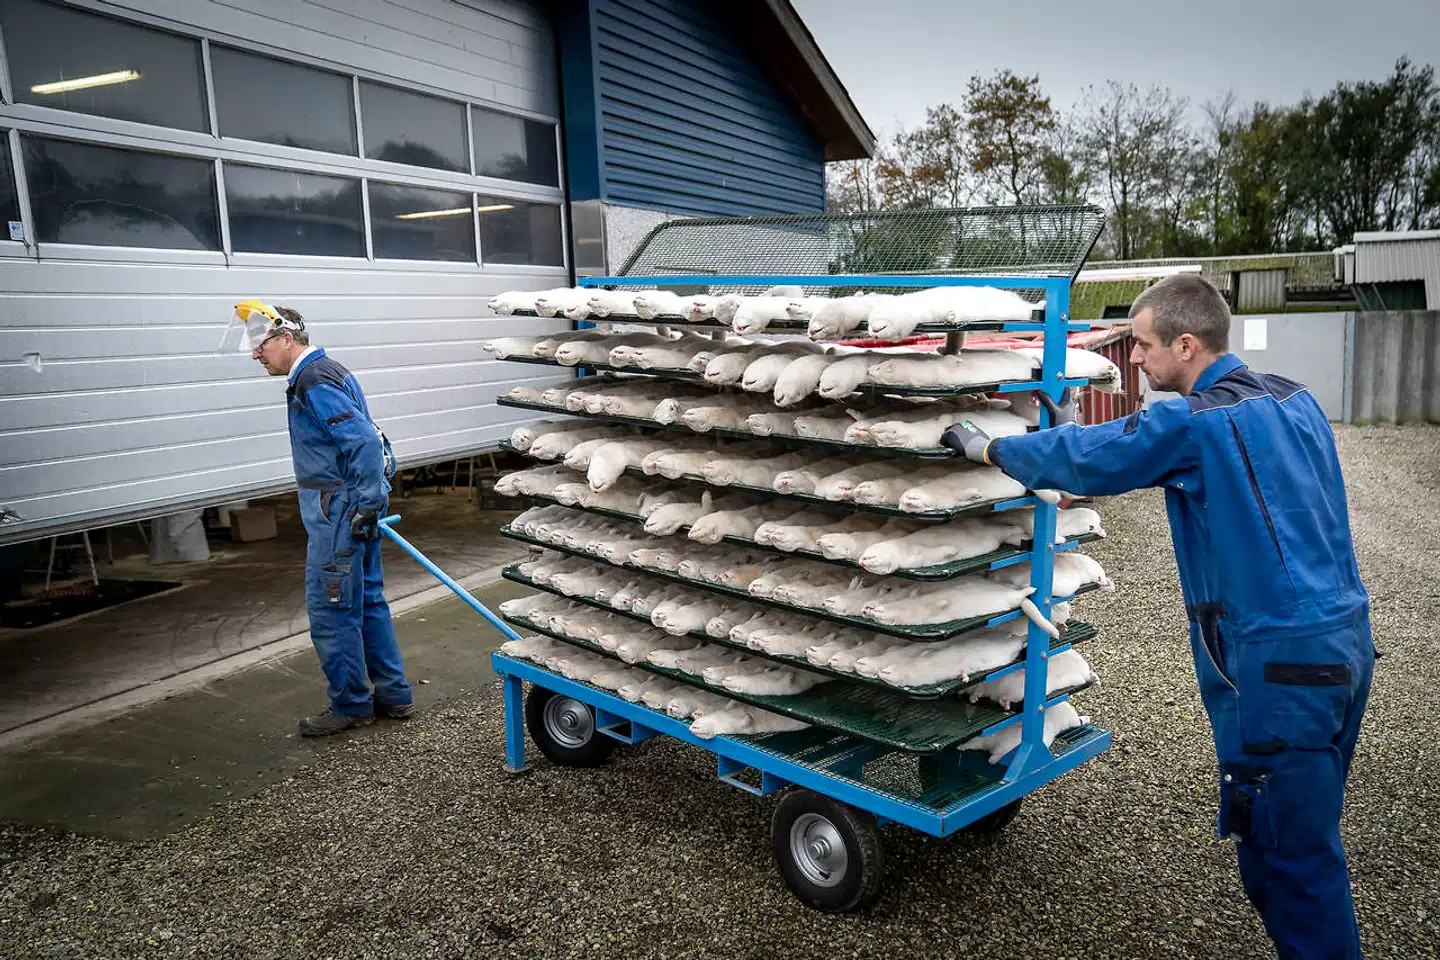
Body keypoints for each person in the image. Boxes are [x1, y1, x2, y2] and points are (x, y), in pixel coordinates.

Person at [941, 274, 1373, 960]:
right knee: (1298, 833)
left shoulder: (1197, 423)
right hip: (1345, 645)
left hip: (1280, 665)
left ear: (1187, 344)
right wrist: (1070, 438)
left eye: (1142, 345)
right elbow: (1127, 457)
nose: (1134, 358)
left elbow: (1096, 457)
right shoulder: (1296, 399)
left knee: (1292, 859)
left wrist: (989, 448)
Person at [241, 301, 415, 737]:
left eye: (261, 345)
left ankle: (351, 704)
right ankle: (393, 694)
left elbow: (364, 443)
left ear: (286, 339)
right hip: (351, 504)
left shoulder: (313, 380)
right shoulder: (329, 370)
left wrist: (367, 504)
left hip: (338, 509)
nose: (256, 355)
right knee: (367, 599)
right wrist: (370, 502)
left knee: (332, 609)